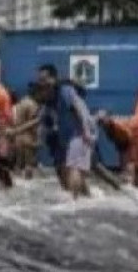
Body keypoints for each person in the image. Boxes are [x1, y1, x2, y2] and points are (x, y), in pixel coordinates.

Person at [37, 64, 97, 198]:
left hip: (80, 133)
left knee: (74, 168)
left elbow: (77, 109)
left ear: (54, 78)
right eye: (40, 79)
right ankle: (88, 199)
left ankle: (74, 203)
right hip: (69, 137)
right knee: (71, 170)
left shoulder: (65, 90)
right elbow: (39, 120)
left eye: (45, 78)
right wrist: (16, 131)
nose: (42, 82)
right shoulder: (49, 97)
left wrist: (85, 132)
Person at [13, 83, 39, 178]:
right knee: (29, 165)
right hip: (28, 136)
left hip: (18, 136)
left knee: (18, 164)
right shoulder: (33, 104)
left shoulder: (21, 102)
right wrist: (36, 139)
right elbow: (33, 123)